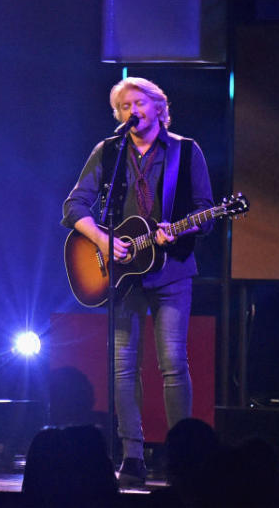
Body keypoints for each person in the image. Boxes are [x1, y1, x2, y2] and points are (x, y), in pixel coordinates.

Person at [62, 77, 213, 486]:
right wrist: (102, 240)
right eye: (124, 106)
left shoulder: (185, 150)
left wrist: (178, 231)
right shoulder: (108, 151)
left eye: (139, 103)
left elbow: (206, 211)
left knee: (172, 364)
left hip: (172, 271)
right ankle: (132, 455)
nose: (132, 111)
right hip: (122, 276)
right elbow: (75, 204)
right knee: (124, 367)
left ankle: (184, 457)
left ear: (158, 107)